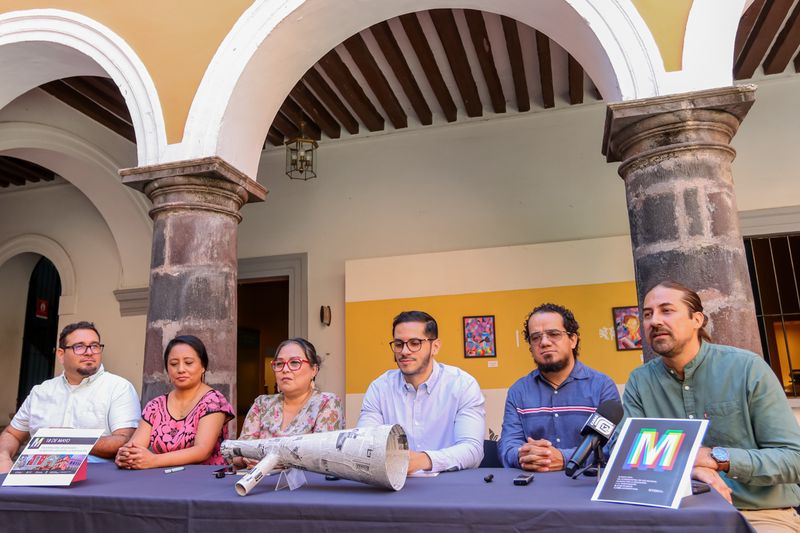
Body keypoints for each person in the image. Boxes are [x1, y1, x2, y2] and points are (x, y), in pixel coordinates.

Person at [624, 281, 800, 532]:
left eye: (667, 310)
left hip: (758, 513)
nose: (654, 321)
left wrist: (715, 457)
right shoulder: (639, 382)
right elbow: (626, 452)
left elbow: (794, 460)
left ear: (697, 319)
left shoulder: (747, 368)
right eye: (648, 314)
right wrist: (693, 467)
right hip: (674, 512)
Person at [0, 321, 140, 472]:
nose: (89, 352)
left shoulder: (118, 387)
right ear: (61, 354)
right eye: (79, 347)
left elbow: (125, 440)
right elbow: (12, 434)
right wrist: (3, 456)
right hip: (35, 472)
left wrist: (67, 439)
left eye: (95, 346)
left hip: (92, 476)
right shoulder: (41, 391)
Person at [357, 310, 485, 473]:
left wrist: (423, 460)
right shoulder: (379, 388)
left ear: (435, 347)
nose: (404, 351)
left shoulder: (462, 385)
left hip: (448, 486)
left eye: (415, 343)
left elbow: (472, 450)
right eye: (398, 344)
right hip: (392, 487)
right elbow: (364, 443)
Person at [498, 303, 620, 472]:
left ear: (573, 340)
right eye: (535, 337)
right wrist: (523, 456)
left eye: (553, 334)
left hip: (584, 486)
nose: (544, 342)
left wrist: (564, 458)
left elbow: (611, 446)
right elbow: (508, 445)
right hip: (531, 487)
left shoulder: (601, 386)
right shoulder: (518, 391)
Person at [115, 335, 234, 468]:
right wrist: (127, 455)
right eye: (173, 364)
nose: (181, 369)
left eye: (188, 363)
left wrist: (154, 460)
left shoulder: (213, 402)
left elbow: (202, 451)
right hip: (162, 478)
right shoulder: (155, 406)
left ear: (203, 367)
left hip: (205, 479)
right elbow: (135, 445)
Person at [238, 337, 342, 444]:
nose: (285, 369)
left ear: (313, 370)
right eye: (279, 364)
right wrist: (244, 458)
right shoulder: (262, 404)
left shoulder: (326, 403)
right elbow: (238, 451)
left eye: (295, 363)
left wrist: (258, 454)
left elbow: (320, 453)